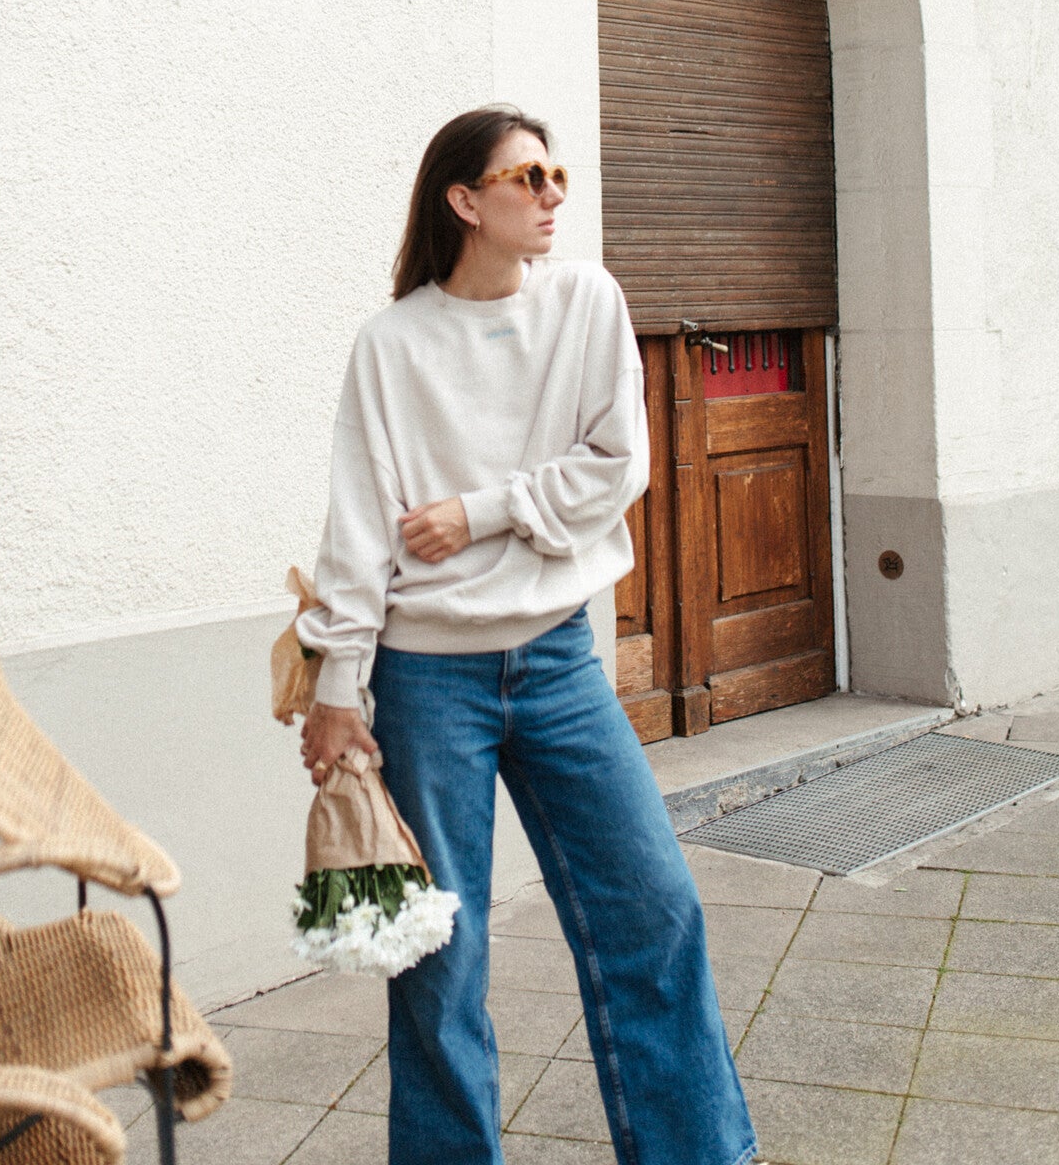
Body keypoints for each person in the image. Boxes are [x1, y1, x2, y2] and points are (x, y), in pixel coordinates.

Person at [296, 105, 758, 1165]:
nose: (555, 192)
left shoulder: (588, 301)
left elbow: (617, 465)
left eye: (558, 173)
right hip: (426, 679)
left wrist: (481, 510)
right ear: (466, 201)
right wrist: (336, 686)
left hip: (557, 659)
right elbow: (361, 525)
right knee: (438, 964)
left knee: (656, 909)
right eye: (529, 175)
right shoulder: (393, 342)